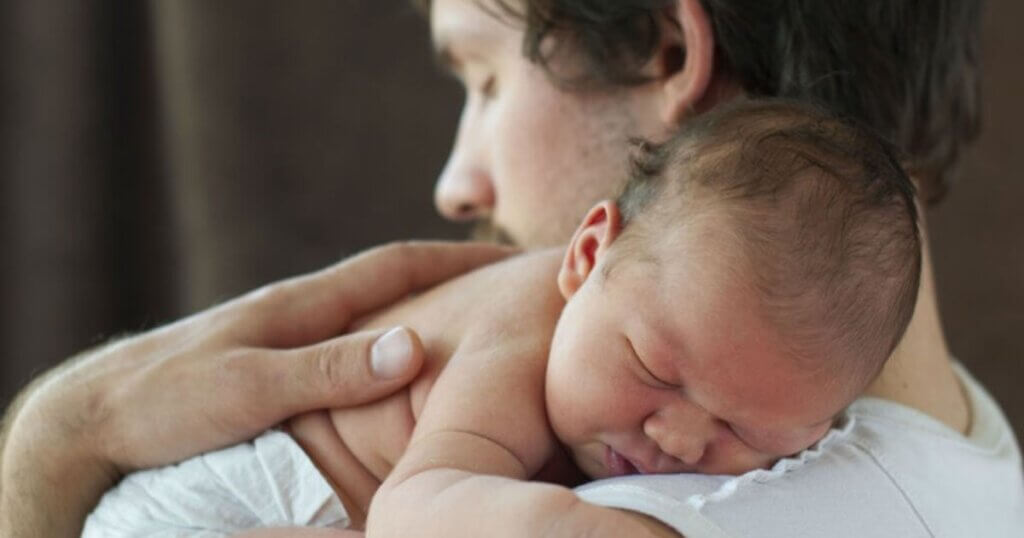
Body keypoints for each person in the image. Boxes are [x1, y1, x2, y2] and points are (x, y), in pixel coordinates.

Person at [2, 0, 1020, 536]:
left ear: (670, 51)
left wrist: (56, 449)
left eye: (486, 78)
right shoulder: (965, 444)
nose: (457, 183)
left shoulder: (681, 504)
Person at [82, 99, 924, 536]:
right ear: (588, 256)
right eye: (656, 371)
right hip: (208, 511)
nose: (678, 441)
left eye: (751, 431)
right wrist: (568, 529)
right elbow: (415, 515)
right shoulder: (525, 335)